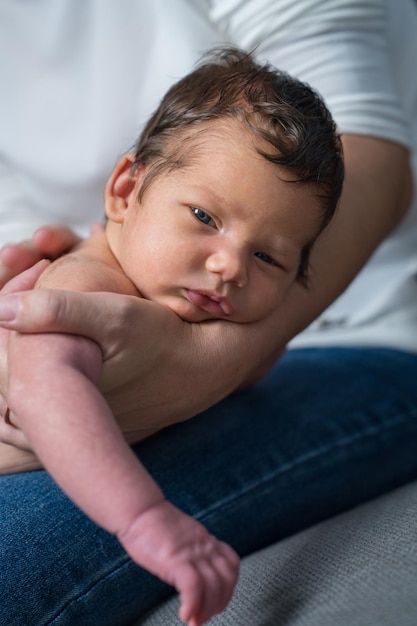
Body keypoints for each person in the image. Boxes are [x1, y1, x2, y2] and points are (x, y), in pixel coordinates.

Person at [0, 1, 416, 625]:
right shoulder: (87, 284)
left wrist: (233, 356)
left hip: (362, 334)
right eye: (204, 218)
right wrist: (144, 518)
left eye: (269, 258)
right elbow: (43, 385)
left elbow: (248, 373)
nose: (230, 266)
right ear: (125, 190)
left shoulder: (190, 286)